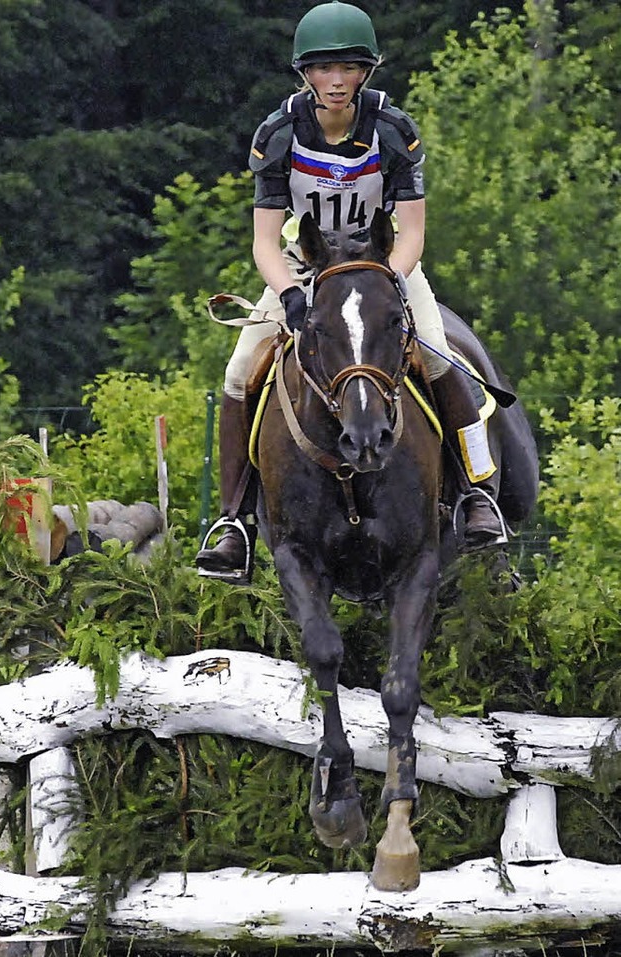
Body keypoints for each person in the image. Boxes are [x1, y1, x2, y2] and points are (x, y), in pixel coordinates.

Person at [196, 0, 502, 581]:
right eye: (324, 69)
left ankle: (474, 492)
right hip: (304, 266)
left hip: (385, 264)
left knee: (441, 359)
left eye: (349, 69)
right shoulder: (279, 133)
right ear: (305, 74)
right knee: (239, 373)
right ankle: (235, 521)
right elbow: (265, 241)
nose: (337, 82)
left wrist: (388, 278)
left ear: (366, 71)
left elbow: (412, 231)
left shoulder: (392, 129)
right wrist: (288, 292)